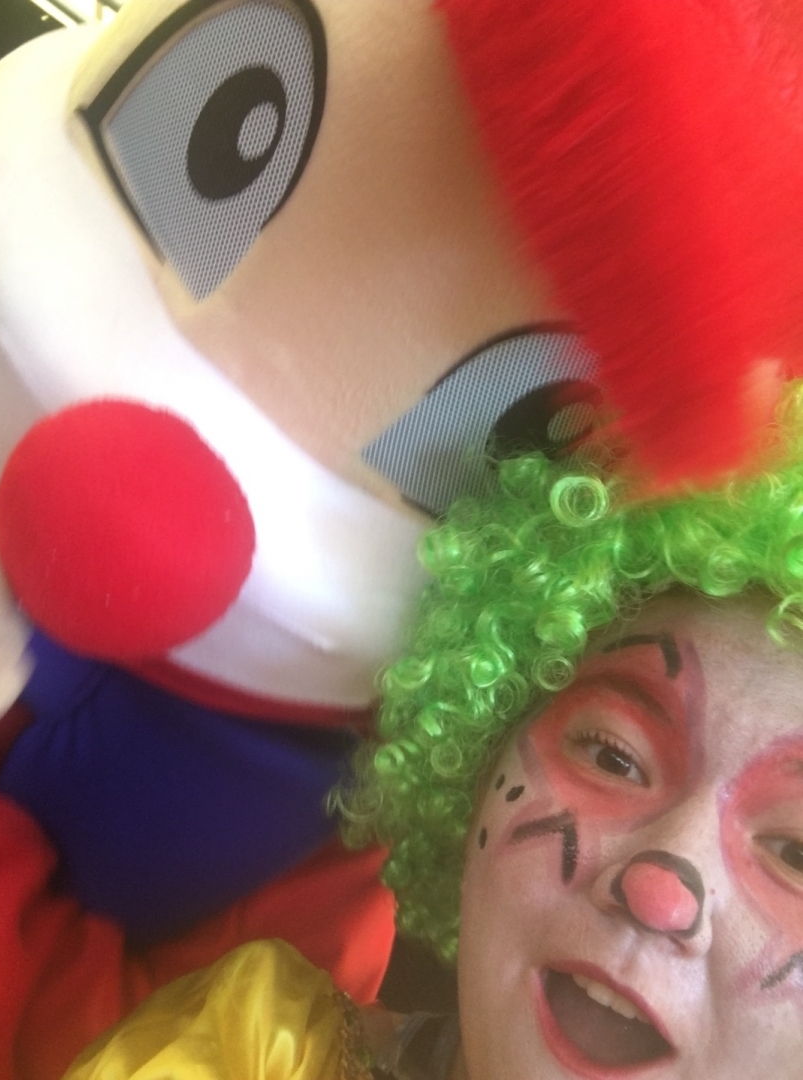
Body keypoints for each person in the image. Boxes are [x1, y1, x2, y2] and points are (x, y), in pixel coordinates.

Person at [59, 381, 803, 1079]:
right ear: (482, 763)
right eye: (612, 756)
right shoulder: (253, 1048)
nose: (660, 893)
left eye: (796, 852)